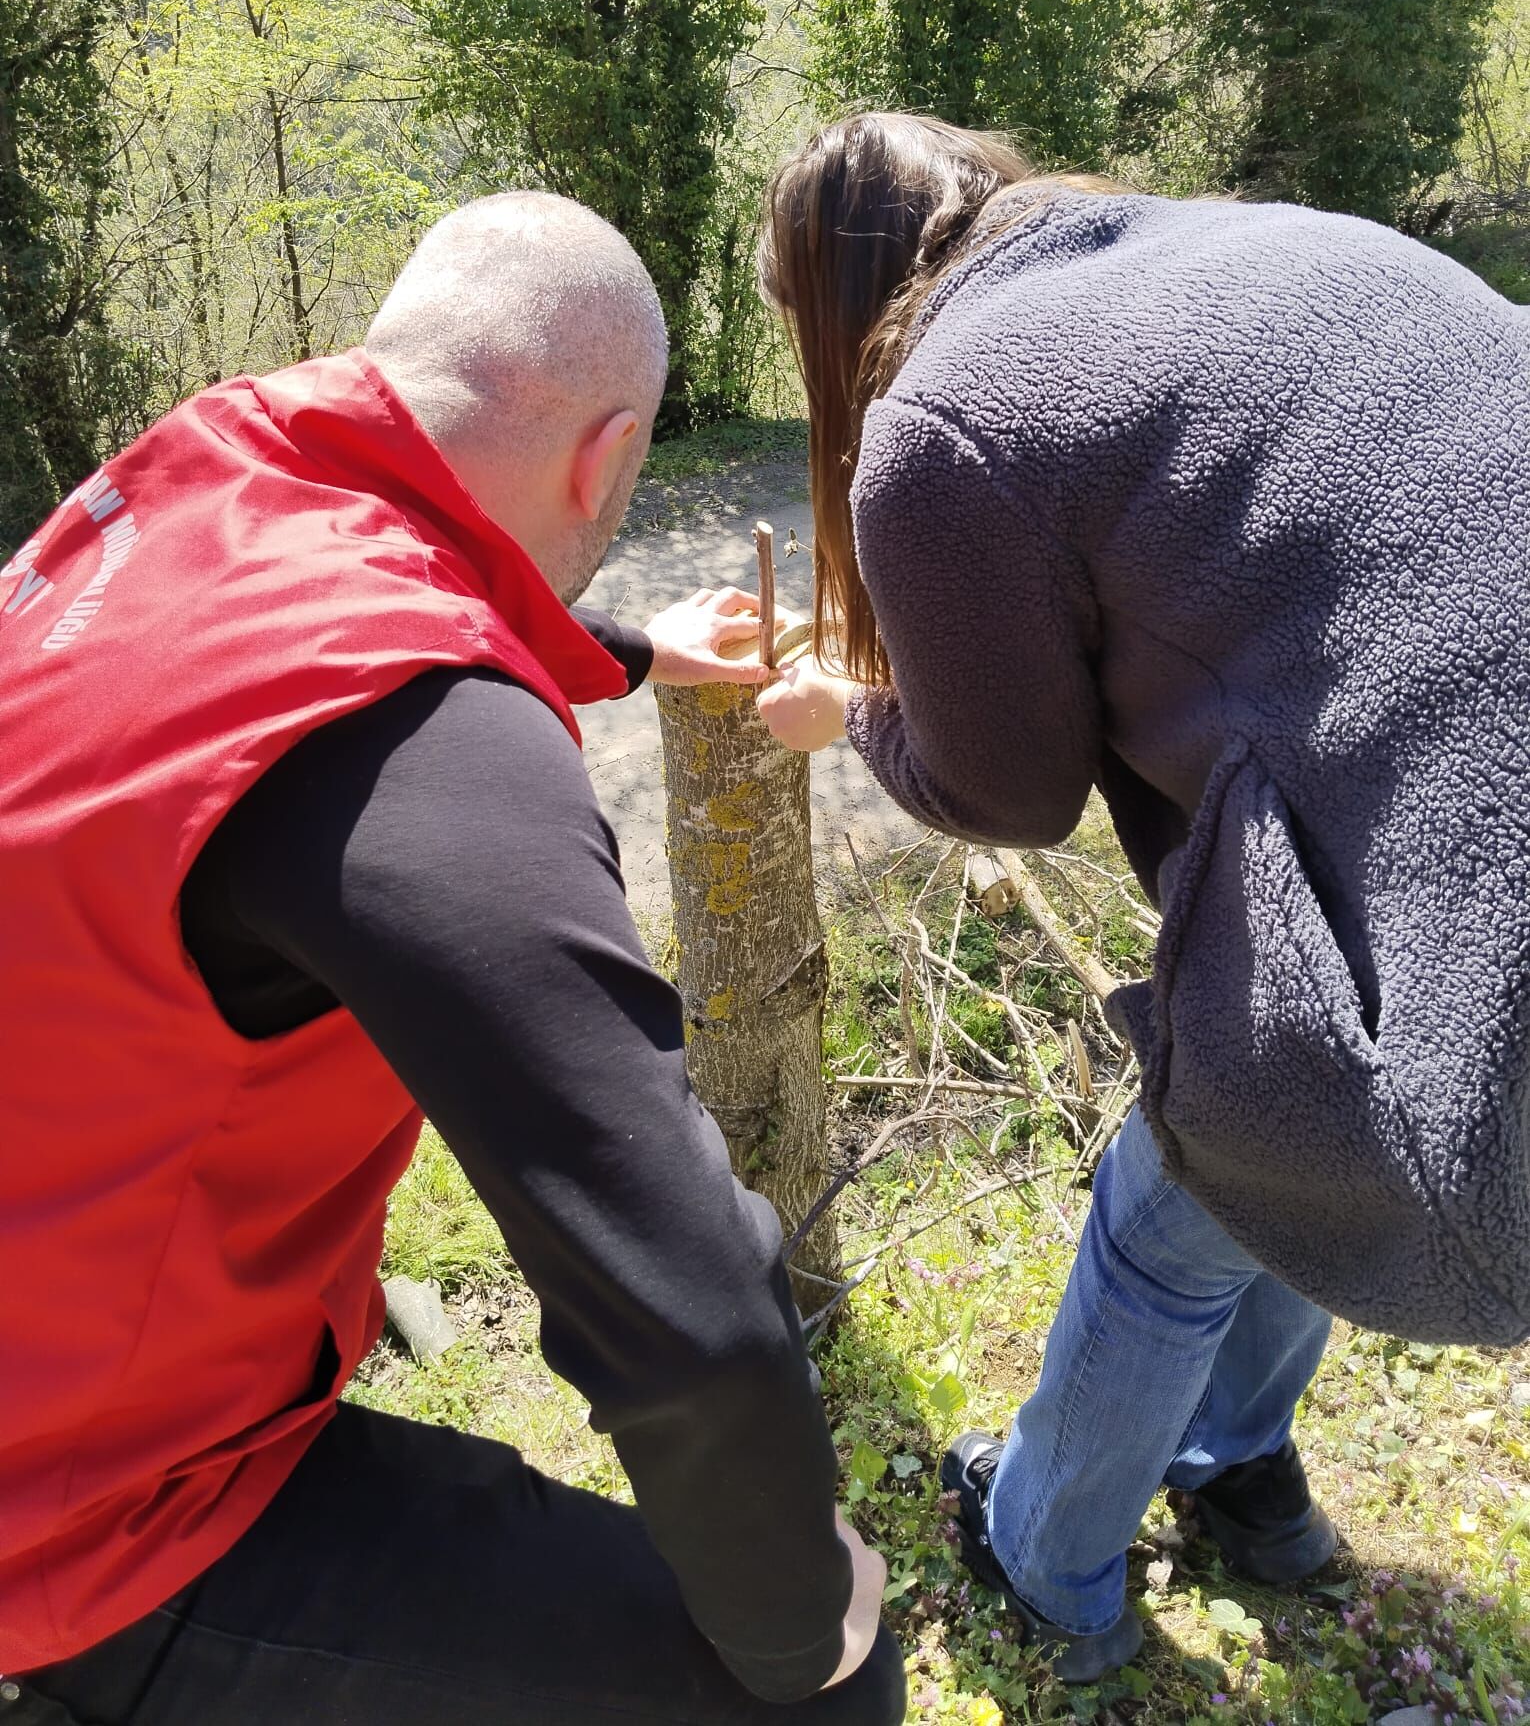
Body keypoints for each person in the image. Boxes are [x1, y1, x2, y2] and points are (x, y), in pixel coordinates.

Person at [0, 193, 905, 1726]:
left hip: (62, 1312)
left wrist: (626, 648)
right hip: (76, 1513)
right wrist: (803, 1622)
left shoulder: (200, 474)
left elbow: (326, 637)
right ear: (609, 458)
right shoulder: (416, 731)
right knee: (818, 1693)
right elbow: (683, 1308)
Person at [751, 112, 1530, 1682]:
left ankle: (1048, 1562)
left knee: (1183, 1201)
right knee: (1274, 1156)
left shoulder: (950, 418)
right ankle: (1244, 1478)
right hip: (1462, 844)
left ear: (823, 309)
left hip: (1469, 931)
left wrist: (852, 711)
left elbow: (1004, 792)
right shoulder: (1272, 244)